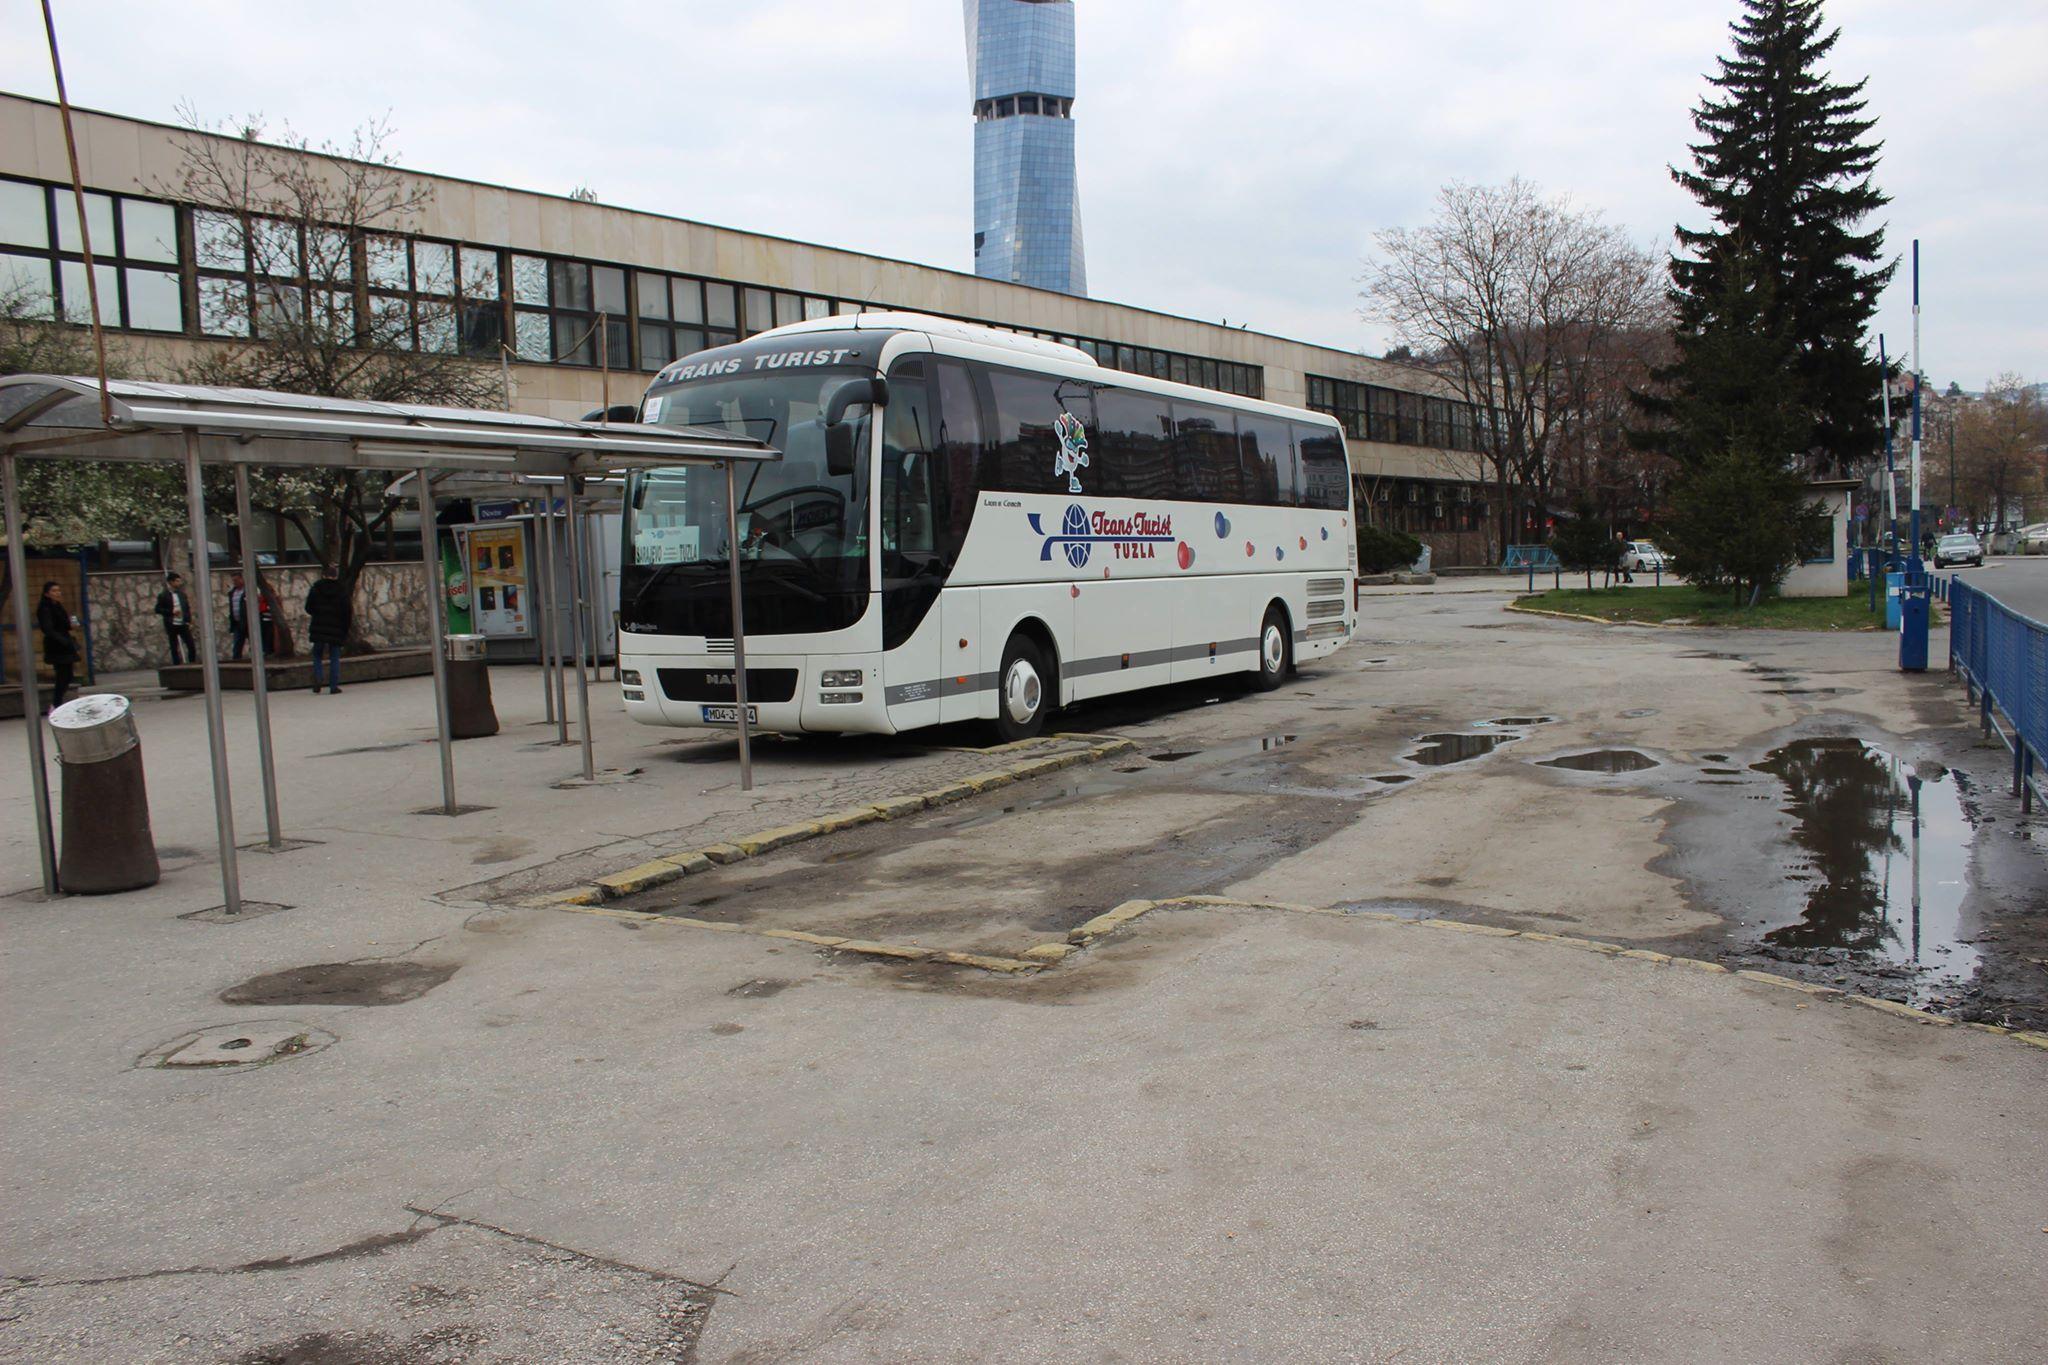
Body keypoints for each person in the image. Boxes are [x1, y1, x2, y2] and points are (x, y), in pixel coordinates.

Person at [302, 565, 350, 695]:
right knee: (334, 656)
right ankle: (333, 685)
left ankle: (318, 678)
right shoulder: (341, 590)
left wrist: (318, 613)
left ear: (324, 575)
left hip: (319, 626)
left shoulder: (316, 588)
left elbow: (308, 607)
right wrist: (345, 628)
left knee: (317, 655)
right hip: (336, 627)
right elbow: (347, 611)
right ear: (336, 575)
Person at [36, 580, 77, 712]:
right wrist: (62, 640)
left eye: (58, 590)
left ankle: (57, 702)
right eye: (54, 591)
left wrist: (71, 625)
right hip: (56, 645)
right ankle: (56, 704)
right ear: (47, 594)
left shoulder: (58, 606)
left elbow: (64, 624)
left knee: (68, 675)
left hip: (65, 643)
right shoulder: (44, 608)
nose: (57, 593)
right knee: (62, 674)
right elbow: (48, 628)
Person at [154, 571, 195, 664]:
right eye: (177, 581)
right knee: (174, 646)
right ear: (171, 582)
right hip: (171, 624)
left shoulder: (182, 595)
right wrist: (171, 612)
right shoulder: (163, 595)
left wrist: (189, 621)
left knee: (191, 645)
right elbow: (157, 609)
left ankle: (192, 663)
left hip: (183, 623)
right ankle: (177, 664)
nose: (179, 583)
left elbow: (186, 608)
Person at [227, 573, 248, 660]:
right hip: (237, 622)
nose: (235, 582)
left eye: (236, 580)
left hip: (247, 622)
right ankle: (236, 660)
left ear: (241, 579)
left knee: (255, 642)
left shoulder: (247, 591)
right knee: (237, 643)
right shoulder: (232, 593)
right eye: (233, 580)